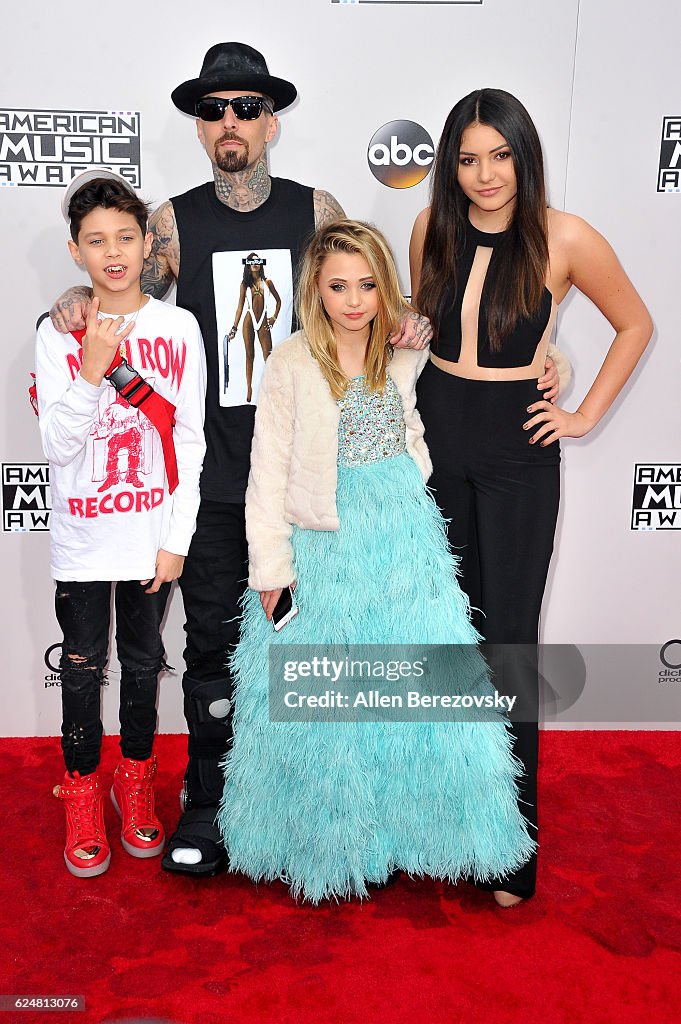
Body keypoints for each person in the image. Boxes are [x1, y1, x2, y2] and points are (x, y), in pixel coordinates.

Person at [48, 42, 441, 877]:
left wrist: (413, 322)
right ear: (198, 127)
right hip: (216, 481)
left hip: (317, 481)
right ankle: (208, 807)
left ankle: (318, 806)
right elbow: (123, 297)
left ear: (271, 121)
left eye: (247, 108)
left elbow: (370, 294)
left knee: (317, 654)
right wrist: (76, 299)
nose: (230, 122)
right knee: (213, 656)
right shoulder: (172, 222)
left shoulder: (315, 206)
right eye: (214, 110)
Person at [215, 218, 536, 902]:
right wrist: (271, 569)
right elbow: (265, 472)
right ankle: (336, 848)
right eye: (337, 286)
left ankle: (407, 837)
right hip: (324, 542)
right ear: (315, 290)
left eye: (366, 284)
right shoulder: (293, 362)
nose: (353, 299)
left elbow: (474, 358)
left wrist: (552, 364)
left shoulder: (403, 348)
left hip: (402, 535)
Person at [409, 88, 653, 906]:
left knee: (508, 641)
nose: (484, 175)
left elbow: (635, 324)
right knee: (445, 633)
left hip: (518, 452)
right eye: (468, 158)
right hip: (437, 439)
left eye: (499, 155)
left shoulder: (564, 236)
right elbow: (427, 330)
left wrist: (577, 408)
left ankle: (510, 848)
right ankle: (444, 823)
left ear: (523, 154)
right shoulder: (429, 227)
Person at [37, 170, 206, 877]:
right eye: (96, 240)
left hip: (149, 538)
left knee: (142, 665)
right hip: (83, 540)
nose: (113, 252)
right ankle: (83, 794)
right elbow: (57, 446)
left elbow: (192, 438)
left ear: (146, 245)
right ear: (75, 251)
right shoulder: (59, 331)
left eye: (126, 237)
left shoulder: (178, 327)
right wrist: (90, 368)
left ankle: (135, 789)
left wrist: (177, 540)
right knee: (81, 669)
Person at [224, 251, 281, 401]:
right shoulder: (245, 285)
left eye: (257, 261)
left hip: (263, 320)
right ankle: (249, 389)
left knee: (268, 355)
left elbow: (279, 301)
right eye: (252, 262)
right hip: (249, 320)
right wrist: (234, 328)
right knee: (250, 355)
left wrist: (274, 317)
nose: (255, 264)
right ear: (248, 266)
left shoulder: (267, 282)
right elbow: (240, 307)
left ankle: (272, 388)